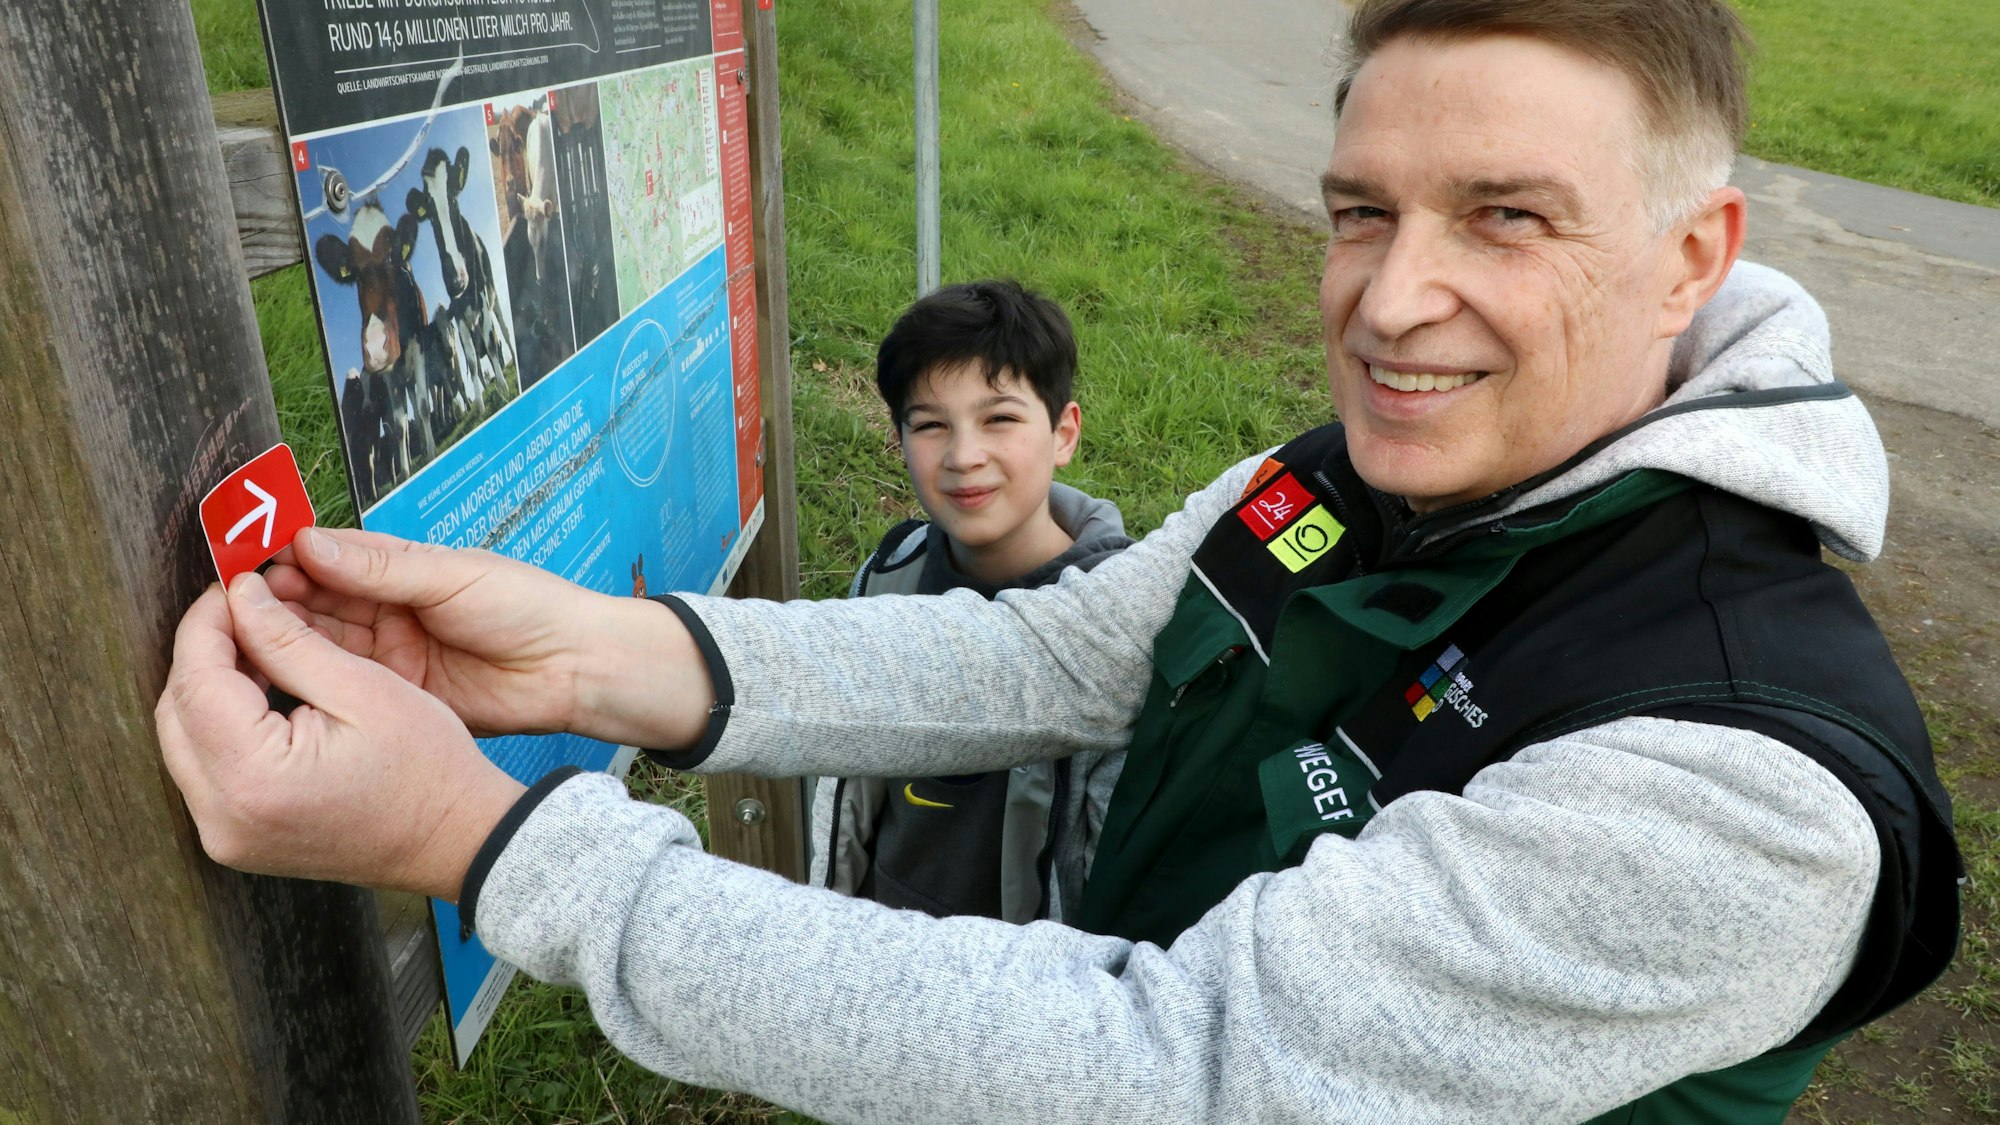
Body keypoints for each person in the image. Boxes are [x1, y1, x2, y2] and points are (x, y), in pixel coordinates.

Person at [157, 1, 1961, 1121]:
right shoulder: (1345, 478)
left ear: (1689, 257)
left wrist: (483, 846)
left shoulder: (1743, 780)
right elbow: (1067, 653)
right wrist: (599, 660)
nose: (1391, 303)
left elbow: (1171, 1068)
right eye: (1358, 210)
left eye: (1507, 216)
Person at [814, 279, 1134, 923]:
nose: (964, 456)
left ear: (1064, 432)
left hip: (1028, 991)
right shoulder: (888, 578)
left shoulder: (1123, 619)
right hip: (884, 949)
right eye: (931, 424)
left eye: (1000, 418)